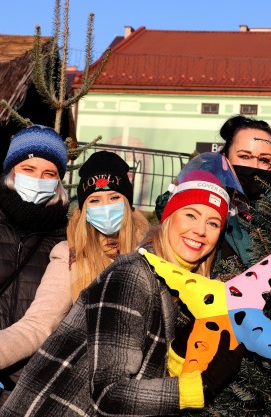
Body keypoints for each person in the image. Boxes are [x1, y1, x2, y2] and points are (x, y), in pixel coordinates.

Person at [1, 168, 245, 415]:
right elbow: (110, 394)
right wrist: (200, 388)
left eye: (213, 222)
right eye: (191, 215)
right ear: (170, 216)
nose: (200, 230)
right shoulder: (134, 274)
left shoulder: (186, 291)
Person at [0, 151, 149, 388]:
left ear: (127, 202)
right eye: (95, 200)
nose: (106, 207)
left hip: (144, 383)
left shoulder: (151, 251)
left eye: (114, 198)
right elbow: (37, 325)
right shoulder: (70, 255)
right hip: (86, 386)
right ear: (84, 208)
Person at [0, 125, 69, 401]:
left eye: (49, 173)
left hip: (29, 387)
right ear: (12, 171)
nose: (38, 179)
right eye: (29, 169)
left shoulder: (66, 238)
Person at [218, 115, 271, 266]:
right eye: (244, 156)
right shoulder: (206, 199)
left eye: (264, 159)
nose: (254, 166)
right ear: (225, 158)